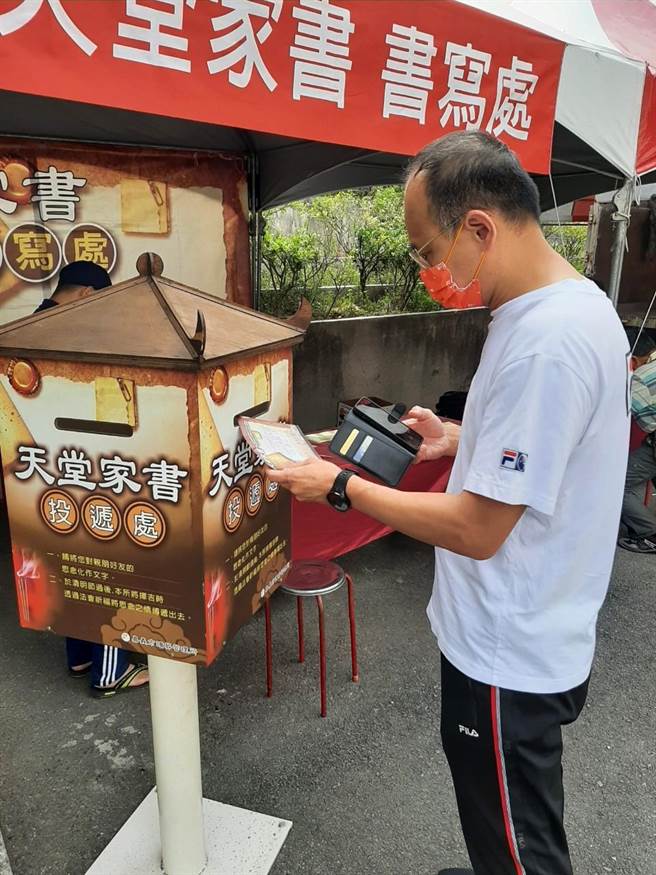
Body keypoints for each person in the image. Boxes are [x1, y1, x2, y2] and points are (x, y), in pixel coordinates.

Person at [268, 132, 630, 875]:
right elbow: (546, 444)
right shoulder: (567, 305)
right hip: (527, 633)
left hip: (508, 654)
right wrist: (459, 439)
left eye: (427, 254)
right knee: (502, 821)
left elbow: (476, 527)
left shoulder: (546, 344)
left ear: (479, 228)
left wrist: (341, 485)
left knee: (519, 849)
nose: (428, 272)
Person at [34, 260, 149, 698]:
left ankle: (80, 656)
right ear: (86, 295)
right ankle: (110, 671)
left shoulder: (27, 327)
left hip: (44, 471)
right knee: (108, 564)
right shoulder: (76, 334)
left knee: (72, 564)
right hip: (92, 465)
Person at [618, 327, 656, 553]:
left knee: (620, 483)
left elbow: (638, 426)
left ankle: (648, 533)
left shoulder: (640, 378)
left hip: (650, 441)